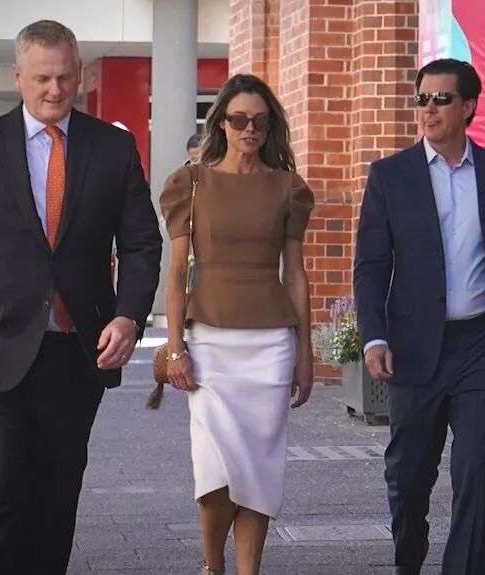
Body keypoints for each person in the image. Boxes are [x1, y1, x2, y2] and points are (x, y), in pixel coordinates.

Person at [0, 20, 162, 575]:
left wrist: (129, 315)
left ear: (79, 73)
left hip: (74, 351)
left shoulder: (113, 147)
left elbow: (141, 243)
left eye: (64, 77)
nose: (55, 90)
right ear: (18, 77)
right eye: (42, 79)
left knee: (55, 496)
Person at [354, 59, 485, 574]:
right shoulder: (391, 177)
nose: (428, 110)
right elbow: (371, 265)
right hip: (413, 347)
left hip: (482, 344)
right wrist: (373, 337)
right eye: (421, 99)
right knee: (410, 476)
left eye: (441, 99)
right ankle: (408, 560)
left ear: (469, 106)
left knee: (476, 471)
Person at [160, 73, 314, 575]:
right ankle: (213, 565)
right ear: (221, 122)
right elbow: (178, 270)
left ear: (272, 128)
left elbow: (296, 274)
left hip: (270, 345)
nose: (251, 129)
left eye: (261, 122)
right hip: (211, 346)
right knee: (215, 472)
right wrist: (175, 345)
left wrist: (306, 354)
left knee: (259, 472)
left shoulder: (287, 187)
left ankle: (249, 570)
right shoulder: (192, 183)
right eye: (240, 119)